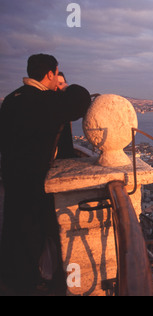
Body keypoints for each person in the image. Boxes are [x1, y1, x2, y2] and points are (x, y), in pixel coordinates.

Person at [0, 54, 91, 295]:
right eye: (57, 77)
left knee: (15, 225)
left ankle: (15, 277)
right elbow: (80, 99)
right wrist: (66, 88)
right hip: (35, 176)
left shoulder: (11, 99)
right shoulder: (43, 101)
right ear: (50, 74)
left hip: (11, 174)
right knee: (35, 229)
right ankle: (31, 282)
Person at [55, 71, 77, 159]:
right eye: (60, 83)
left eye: (64, 83)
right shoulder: (54, 106)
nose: (63, 87)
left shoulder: (65, 105)